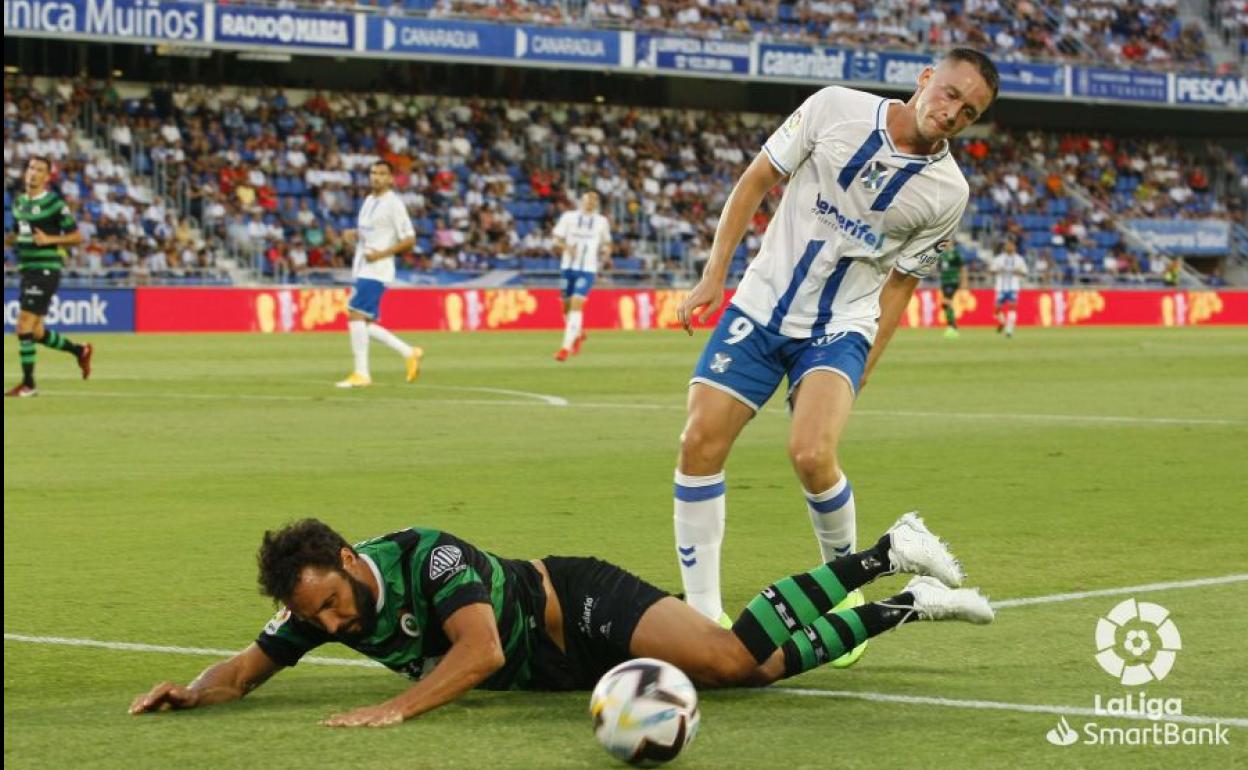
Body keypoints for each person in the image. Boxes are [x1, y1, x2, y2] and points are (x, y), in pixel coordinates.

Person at [669, 49, 998, 667]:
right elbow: (756, 180)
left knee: (812, 453)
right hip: (760, 307)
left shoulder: (948, 192)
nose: (953, 111)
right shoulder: (834, 108)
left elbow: (902, 283)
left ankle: (841, 591)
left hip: (840, 326)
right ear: (925, 78)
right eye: (950, 93)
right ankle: (702, 611)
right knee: (698, 444)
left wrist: (866, 362)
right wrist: (714, 276)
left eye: (970, 110)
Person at [130, 513, 992, 726]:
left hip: (575, 605)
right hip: (562, 671)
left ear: (351, 562)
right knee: (761, 674)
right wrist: (193, 692)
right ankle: (903, 606)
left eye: (329, 603)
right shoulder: (318, 611)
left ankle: (888, 549)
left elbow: (479, 651)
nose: (329, 624)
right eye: (311, 615)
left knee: (733, 657)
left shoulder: (428, 557)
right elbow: (244, 670)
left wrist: (396, 707)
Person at [6, 156, 93, 398]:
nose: (33, 173)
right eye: (31, 168)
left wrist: (50, 240)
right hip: (27, 270)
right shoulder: (19, 203)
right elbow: (18, 235)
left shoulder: (54, 203)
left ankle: (29, 384)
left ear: (46, 177)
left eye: (39, 170)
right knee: (35, 332)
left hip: (45, 270)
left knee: (23, 325)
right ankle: (79, 351)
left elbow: (76, 236)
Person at [336, 161, 423, 389]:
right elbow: (370, 232)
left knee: (355, 313)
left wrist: (382, 254)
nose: (376, 177)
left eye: (382, 174)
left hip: (378, 268)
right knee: (363, 323)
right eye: (373, 173)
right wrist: (354, 234)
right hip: (363, 266)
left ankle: (362, 374)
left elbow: (409, 239)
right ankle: (409, 352)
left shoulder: (394, 204)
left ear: (391, 179)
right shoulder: (369, 200)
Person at [551, 191, 612, 362]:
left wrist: (607, 251)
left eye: (593, 202)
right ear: (581, 202)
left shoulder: (602, 221)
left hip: (587, 269)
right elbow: (556, 238)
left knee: (577, 304)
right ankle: (577, 333)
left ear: (597, 204)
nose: (590, 204)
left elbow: (607, 242)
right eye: (587, 201)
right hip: (567, 267)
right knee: (565, 307)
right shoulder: (568, 217)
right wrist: (565, 247)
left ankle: (565, 348)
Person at [990, 238, 1028, 338]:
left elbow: (1025, 273)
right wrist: (997, 270)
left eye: (1011, 245)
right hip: (1001, 287)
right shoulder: (999, 259)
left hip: (1013, 287)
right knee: (997, 309)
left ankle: (1009, 329)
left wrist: (1018, 272)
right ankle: (1002, 322)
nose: (1009, 247)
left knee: (1012, 307)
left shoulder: (1019, 259)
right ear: (1005, 247)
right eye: (1008, 245)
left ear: (1014, 247)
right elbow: (991, 271)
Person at [938, 244, 968, 339]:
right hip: (944, 282)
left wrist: (964, 281)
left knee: (947, 302)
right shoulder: (941, 255)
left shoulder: (955, 254)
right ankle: (951, 325)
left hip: (953, 281)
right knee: (946, 304)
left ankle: (952, 325)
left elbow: (962, 267)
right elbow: (940, 269)